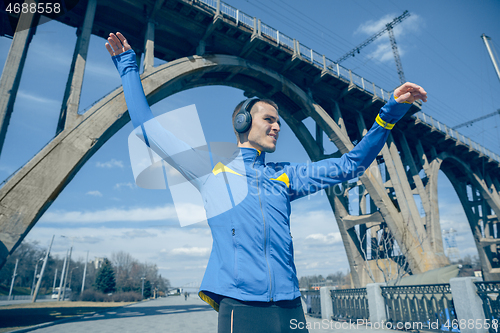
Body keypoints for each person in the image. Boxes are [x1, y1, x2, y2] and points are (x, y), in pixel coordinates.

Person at [105, 32, 427, 333]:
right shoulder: (212, 173)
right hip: (241, 307)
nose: (277, 127)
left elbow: (349, 166)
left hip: (290, 307)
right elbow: (149, 130)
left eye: (278, 122)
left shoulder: (285, 176)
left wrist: (388, 115)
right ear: (243, 122)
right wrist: (129, 66)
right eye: (268, 120)